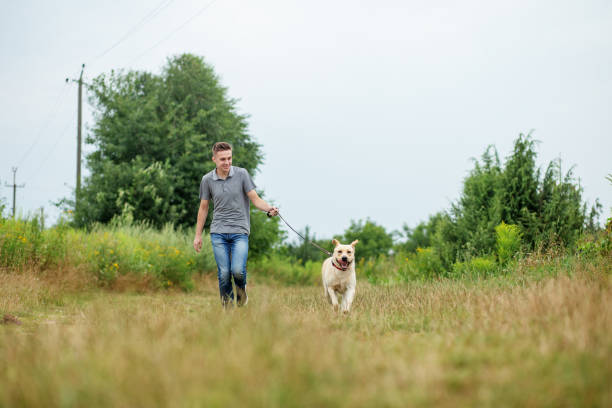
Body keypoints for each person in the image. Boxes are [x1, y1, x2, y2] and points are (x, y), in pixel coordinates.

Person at [193, 142, 278, 307]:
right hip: (218, 231)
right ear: (214, 159)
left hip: (240, 230)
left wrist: (269, 209)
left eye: (229, 158)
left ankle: (241, 293)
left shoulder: (242, 174)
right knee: (224, 273)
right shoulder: (207, 180)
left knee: (237, 270)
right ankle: (227, 305)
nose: (227, 162)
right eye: (222, 159)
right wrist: (198, 235)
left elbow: (255, 198)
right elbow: (203, 208)